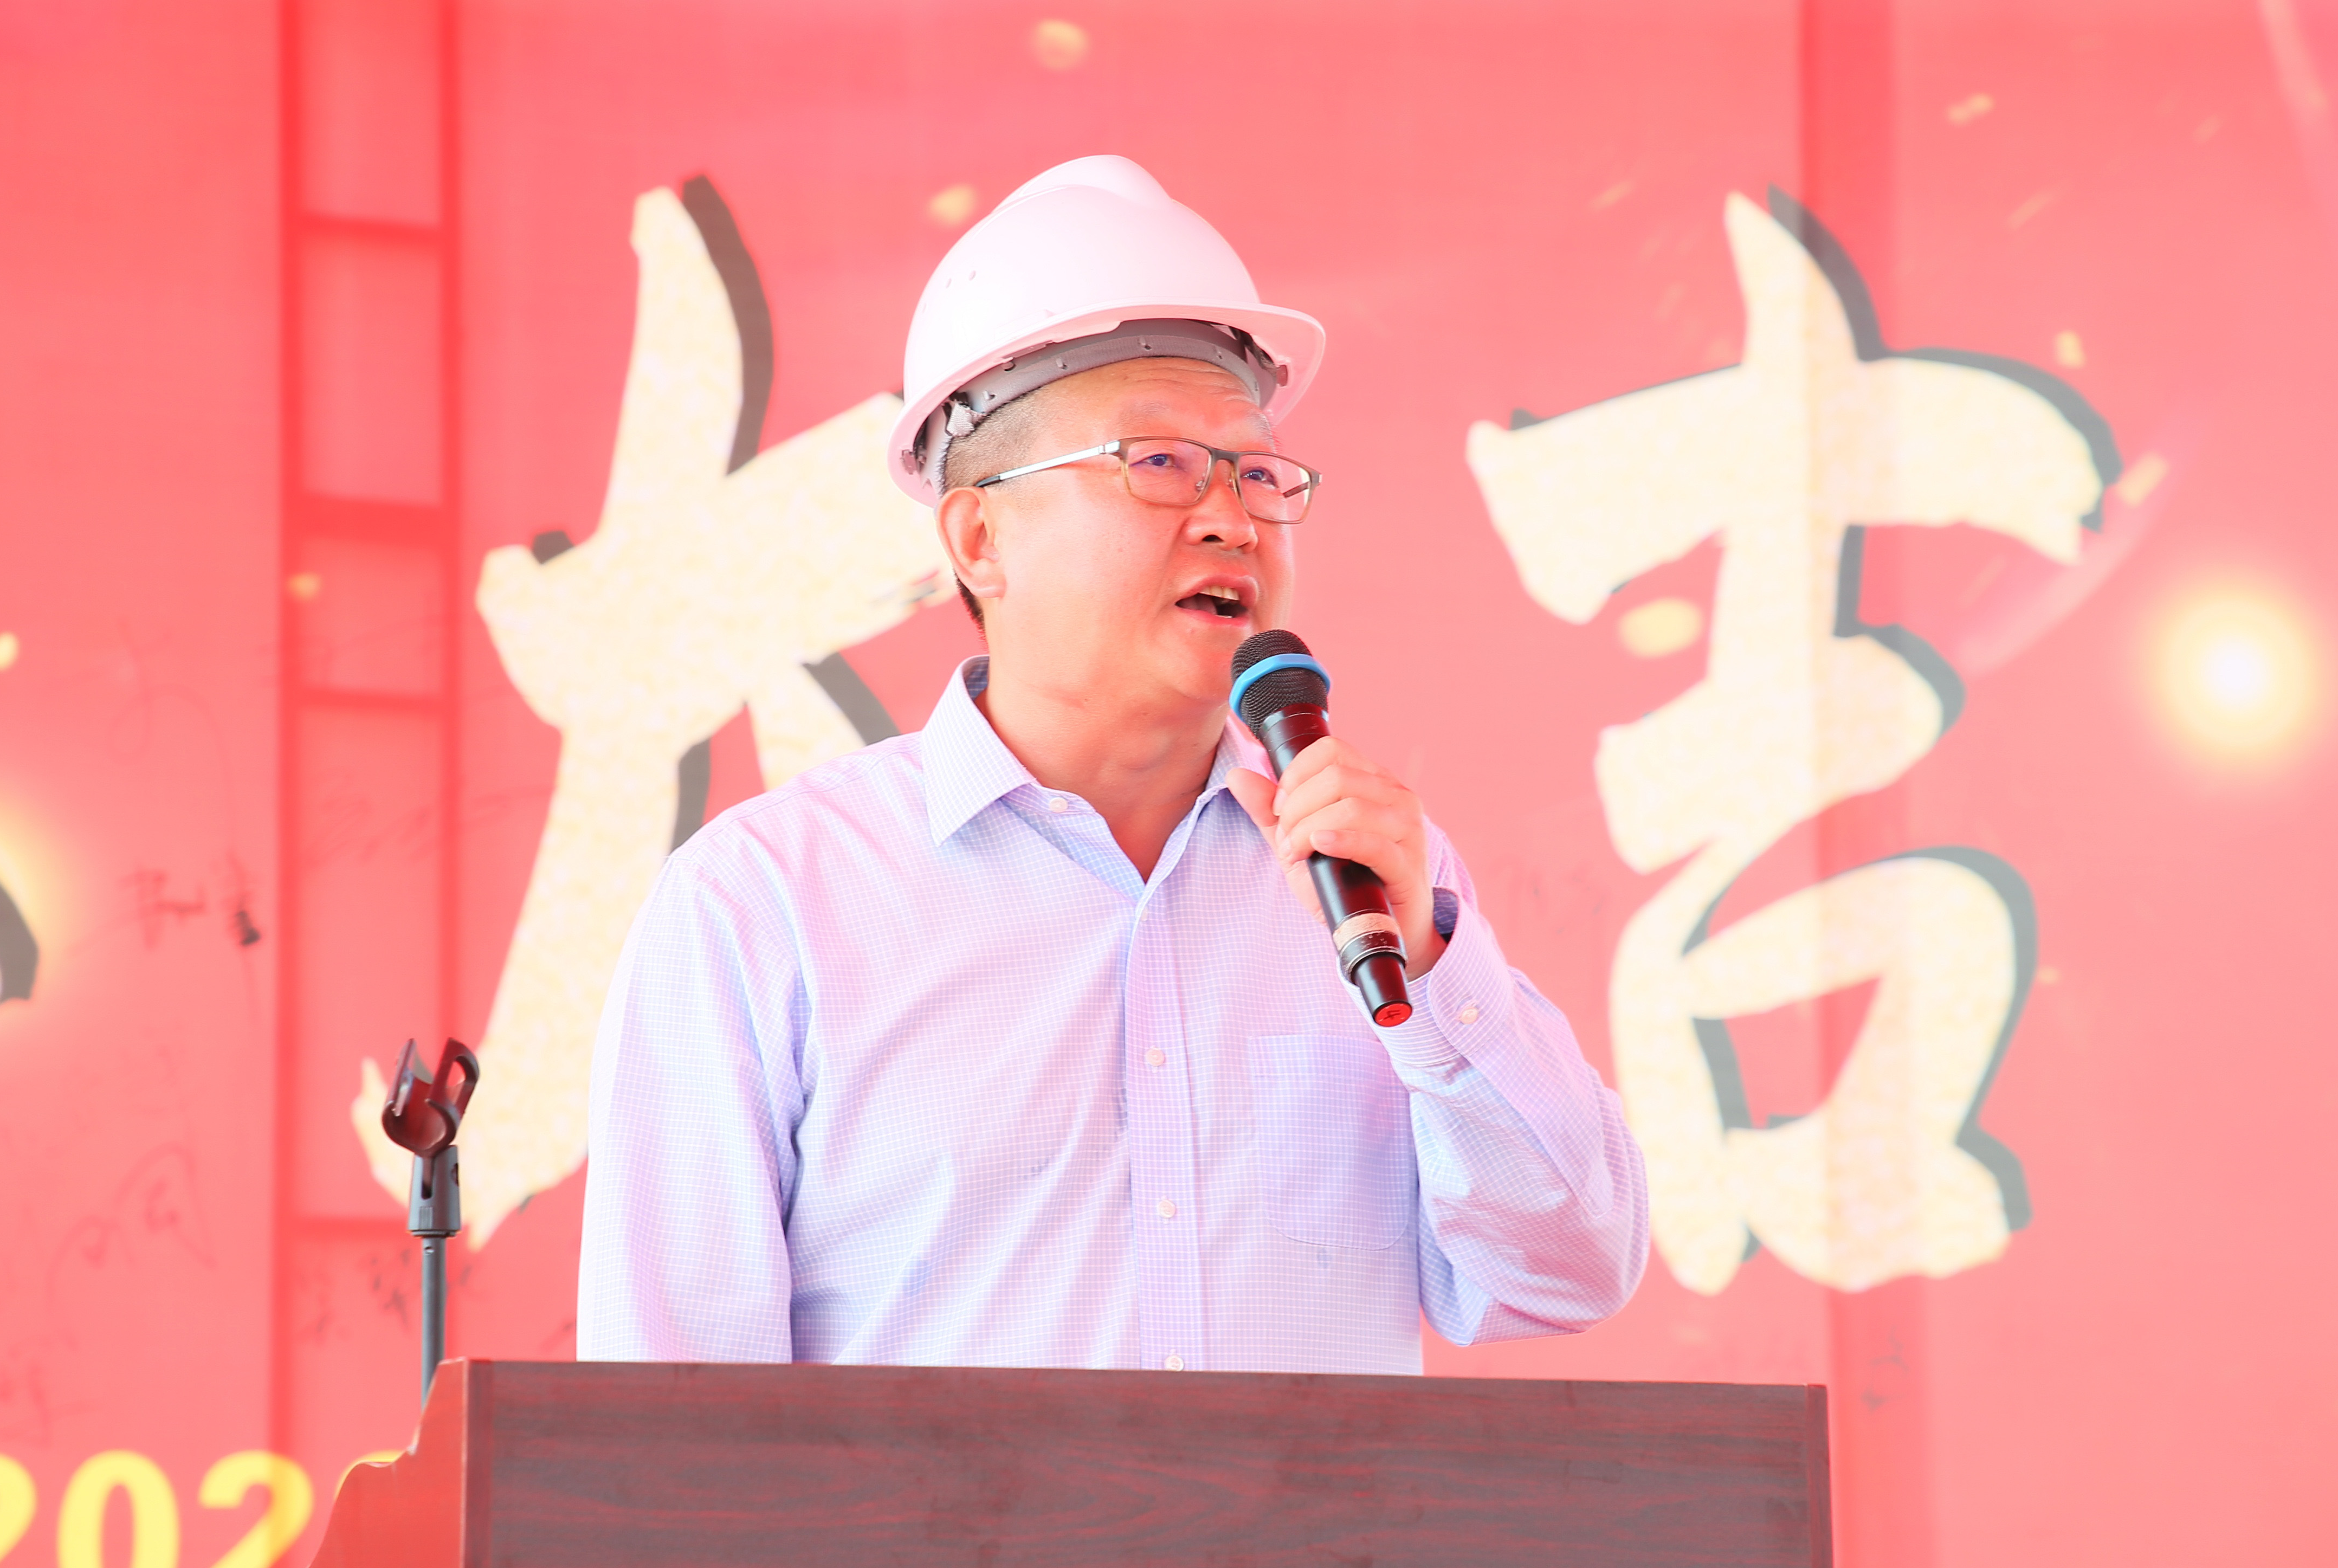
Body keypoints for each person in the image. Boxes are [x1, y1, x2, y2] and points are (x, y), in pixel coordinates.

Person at [577, 156, 1647, 1371]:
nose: (1231, 518)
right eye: (1159, 463)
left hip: (1316, 1518)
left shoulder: (1367, 879)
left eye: (1257, 473)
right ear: (981, 536)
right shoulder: (765, 907)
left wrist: (1438, 971)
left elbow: (1570, 1273)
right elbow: (666, 1415)